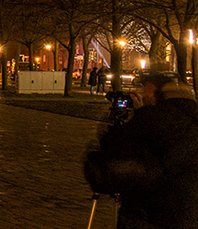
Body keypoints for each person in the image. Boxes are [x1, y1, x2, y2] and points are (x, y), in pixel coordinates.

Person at [83, 72, 198, 229]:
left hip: (149, 216)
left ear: (152, 92)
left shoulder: (151, 121)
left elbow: (109, 161)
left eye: (145, 92)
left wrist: (135, 118)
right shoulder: (190, 118)